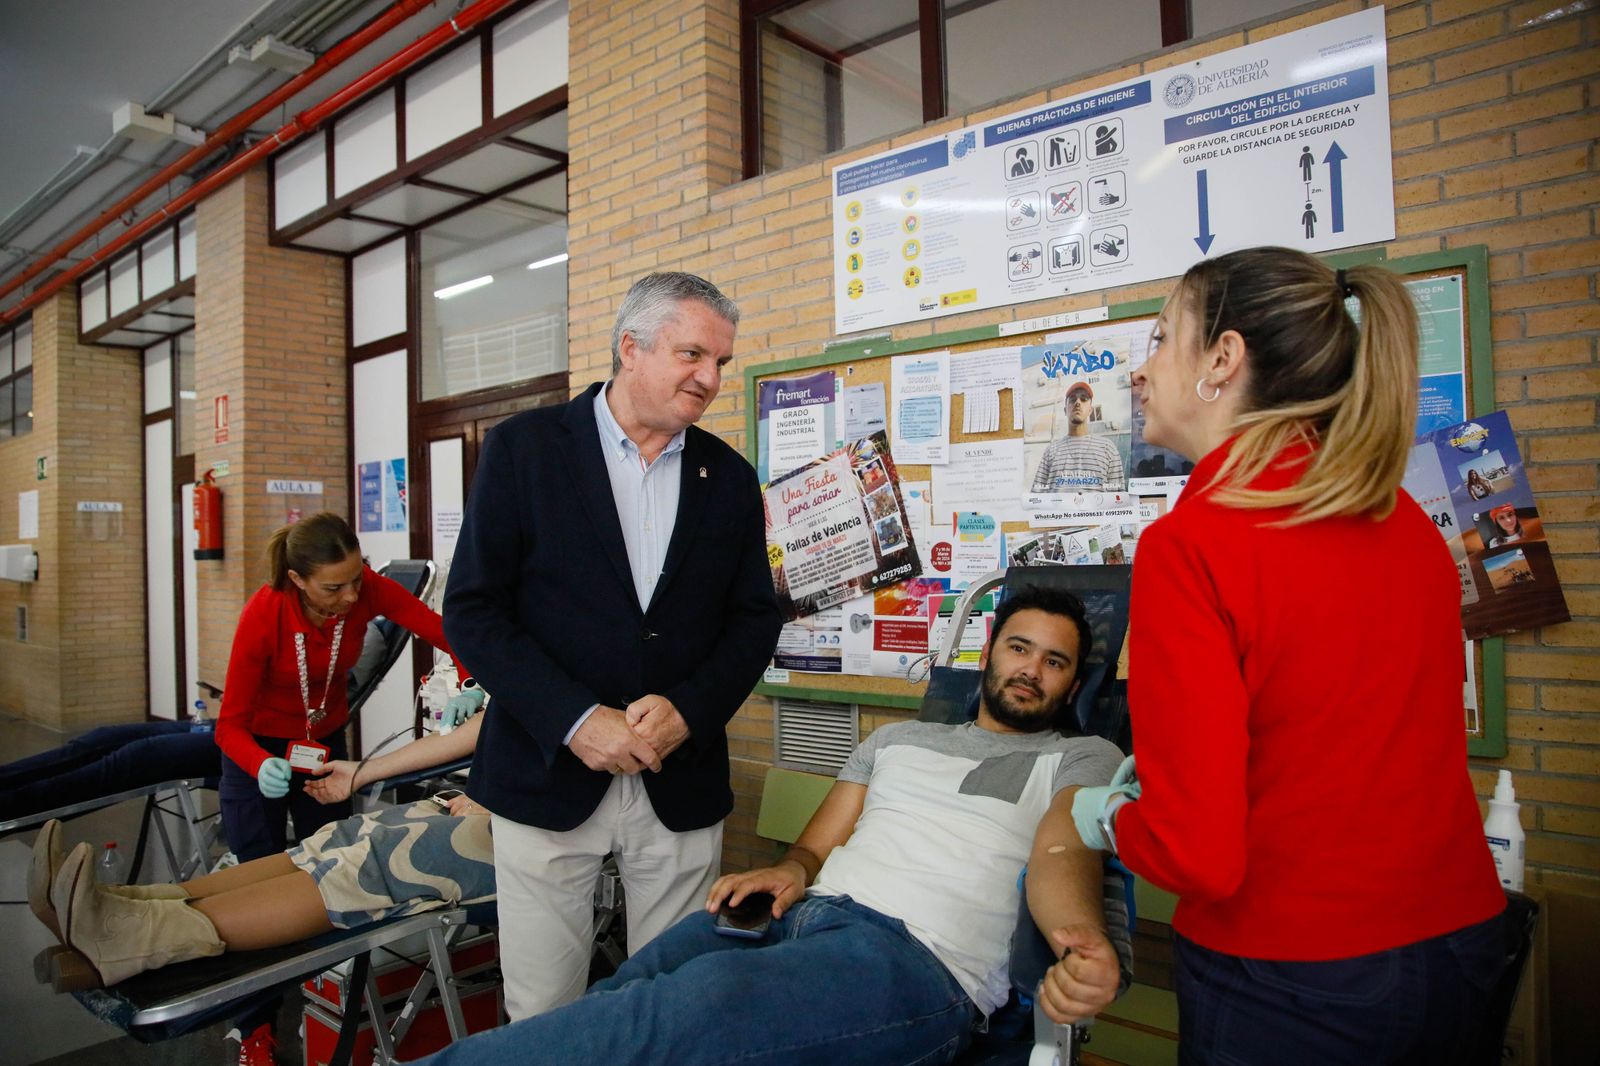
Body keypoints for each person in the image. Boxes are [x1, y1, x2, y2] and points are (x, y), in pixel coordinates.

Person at [1074, 247, 1506, 1064]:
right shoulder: (1405, 522)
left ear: (1223, 360)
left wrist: (1110, 817)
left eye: (1163, 338)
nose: (1142, 369)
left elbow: (1195, 853)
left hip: (1297, 978)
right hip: (1458, 948)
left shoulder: (1193, 545)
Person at [417, 587, 1125, 1065]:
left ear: (1073, 683)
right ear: (990, 650)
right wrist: (788, 871)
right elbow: (818, 845)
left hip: (913, 963)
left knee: (690, 1009)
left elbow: (1064, 848)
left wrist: (1078, 940)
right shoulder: (897, 741)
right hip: (798, 915)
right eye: (1020, 647)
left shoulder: (1083, 755)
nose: (1032, 670)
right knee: (635, 985)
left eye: (1054, 662)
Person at [443, 272, 783, 1019]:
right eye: (693, 354)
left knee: (676, 998)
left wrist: (690, 710)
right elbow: (471, 609)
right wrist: (573, 717)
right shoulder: (525, 450)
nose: (711, 378)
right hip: (546, 768)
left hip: (679, 774)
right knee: (544, 1006)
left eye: (721, 362)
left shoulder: (727, 478)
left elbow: (755, 619)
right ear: (630, 348)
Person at [215, 511, 479, 1061]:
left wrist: (472, 680)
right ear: (298, 580)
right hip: (259, 752)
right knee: (255, 878)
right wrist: (259, 763)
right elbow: (229, 724)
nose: (351, 594)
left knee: (332, 870)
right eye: (334, 586)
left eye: (357, 579)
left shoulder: (365, 591)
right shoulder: (264, 615)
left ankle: (326, 992)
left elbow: (441, 630)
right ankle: (254, 1028)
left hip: (320, 746)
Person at [29, 712, 489, 991]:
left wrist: (497, 801)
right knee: (345, 834)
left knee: (384, 859)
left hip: (539, 836)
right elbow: (481, 728)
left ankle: (138, 938)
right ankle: (130, 909)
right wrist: (362, 773)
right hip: (489, 806)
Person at [0, 719, 218, 821]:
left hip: (246, 747)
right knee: (103, 737)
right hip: (235, 723)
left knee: (142, 755)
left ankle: (10, 806)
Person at [1030, 381, 1125, 492]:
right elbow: (1036, 495)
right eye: (1072, 400)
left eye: (1083, 399)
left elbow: (1118, 496)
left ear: (1090, 410)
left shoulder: (1107, 448)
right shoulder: (1051, 450)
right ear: (1065, 410)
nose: (1078, 403)